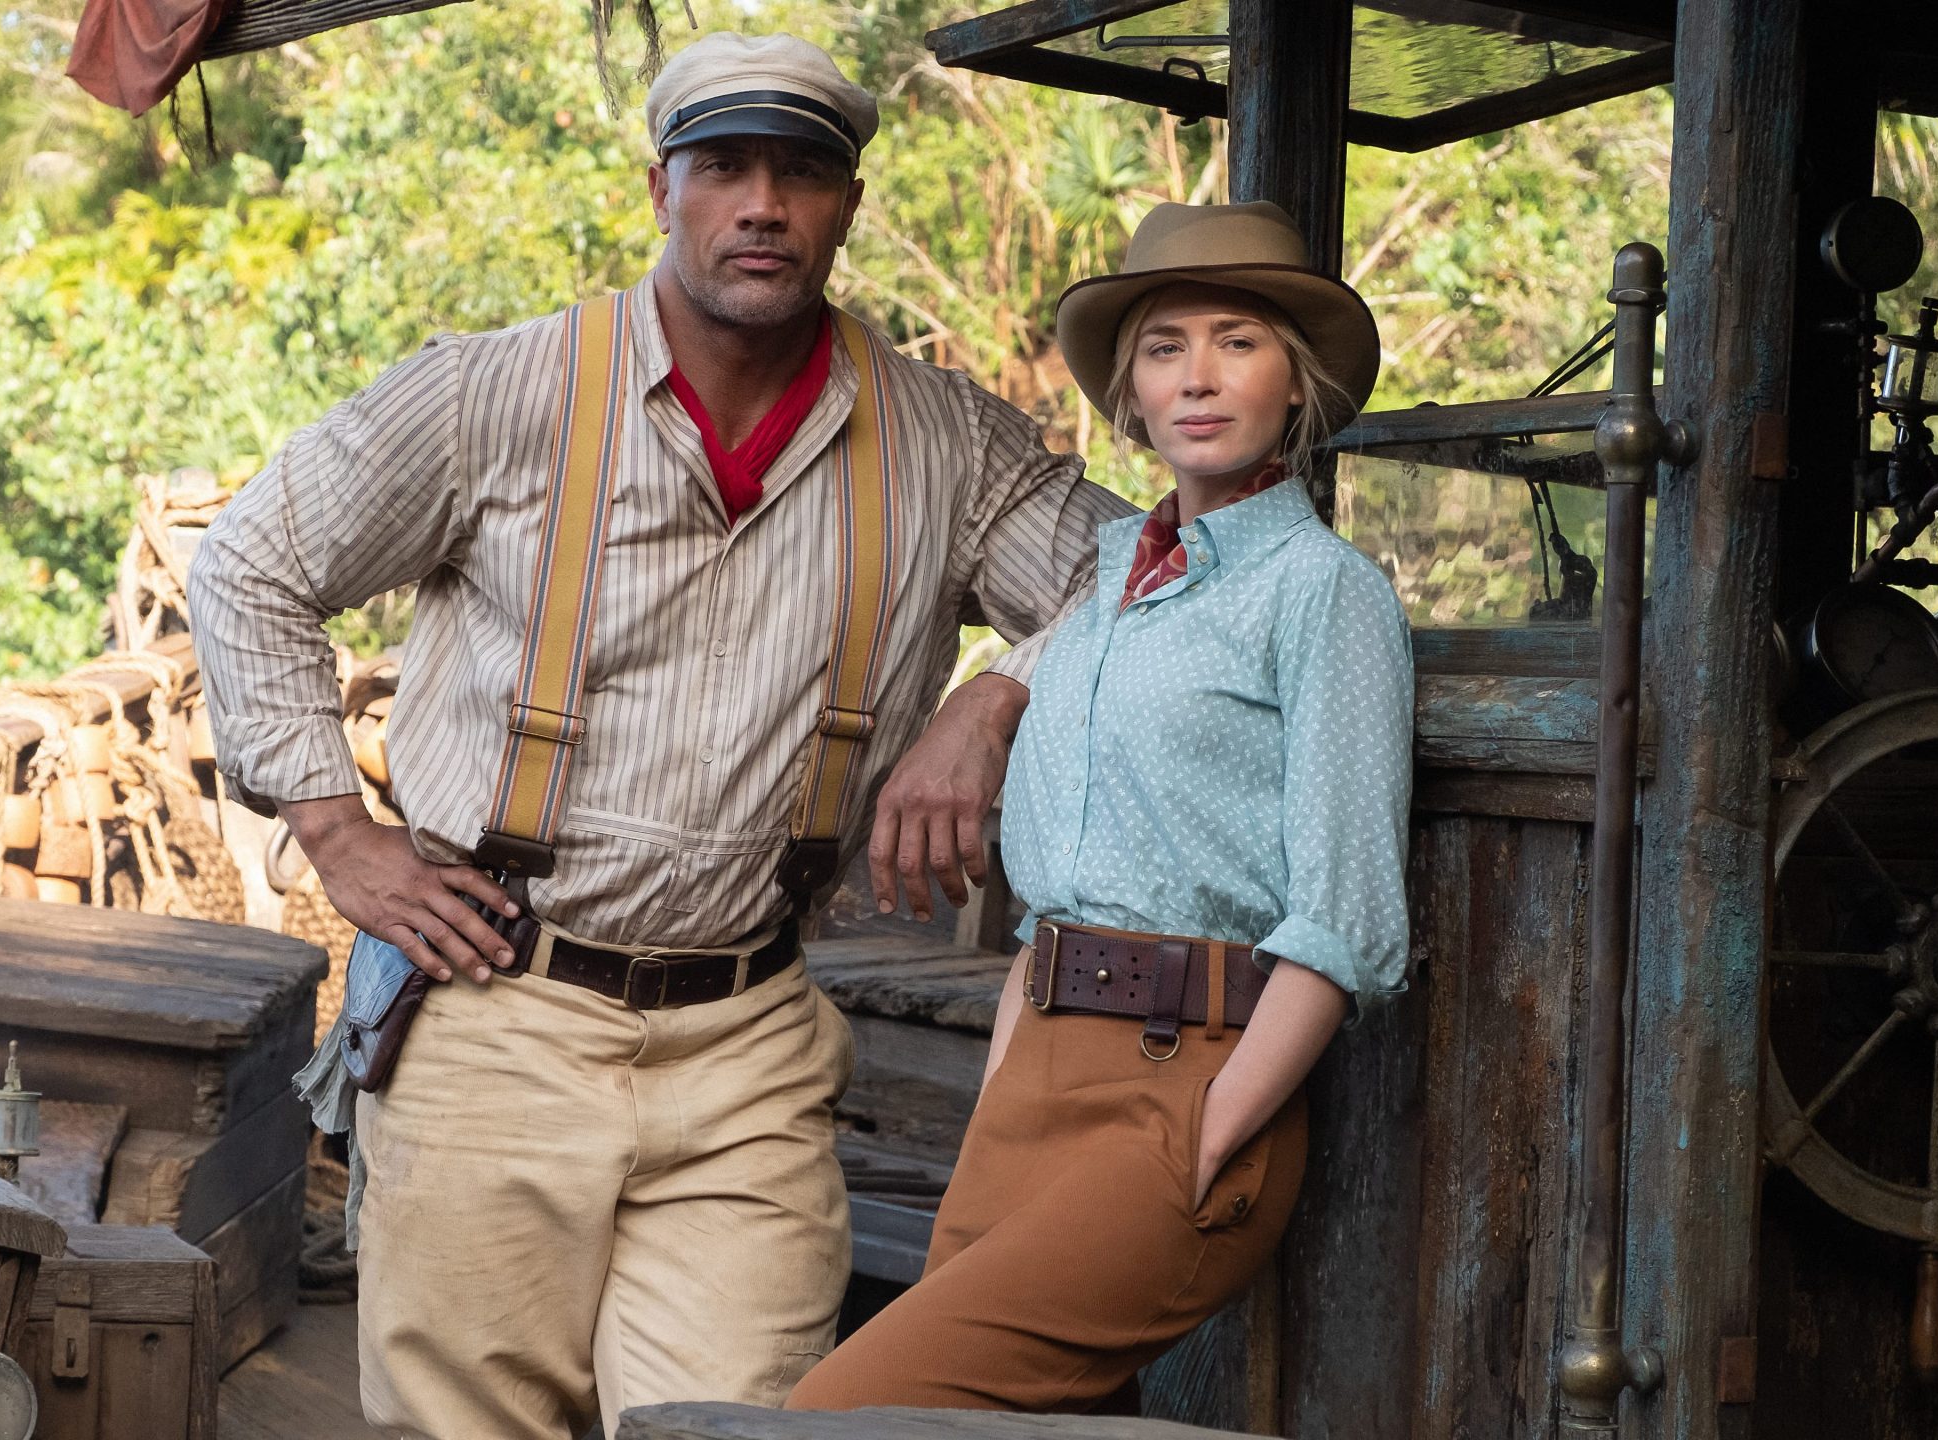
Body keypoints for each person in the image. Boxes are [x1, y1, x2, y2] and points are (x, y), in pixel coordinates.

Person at [183, 31, 1134, 1440]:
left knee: (736, 1425)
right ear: (661, 190)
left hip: (749, 1036)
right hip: (497, 1008)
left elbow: (1154, 582)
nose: (764, 204)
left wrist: (996, 697)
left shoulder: (945, 442)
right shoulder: (493, 394)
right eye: (726, 168)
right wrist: (336, 832)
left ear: (846, 208)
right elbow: (249, 565)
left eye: (803, 174)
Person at [788, 201, 1415, 1414]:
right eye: (1165, 346)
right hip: (1031, 1080)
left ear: (1298, 380)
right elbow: (1056, 896)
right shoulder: (1107, 588)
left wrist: (1216, 1122)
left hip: (1190, 1084)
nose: (1198, 376)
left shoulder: (1323, 594)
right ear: (1129, 390)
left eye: (1237, 341)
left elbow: (1345, 915)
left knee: (845, 1415)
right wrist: (1009, 1081)